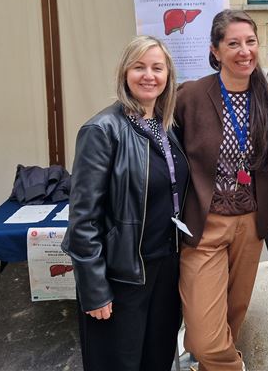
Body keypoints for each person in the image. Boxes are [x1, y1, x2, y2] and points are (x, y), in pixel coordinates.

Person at [62, 35, 190, 371]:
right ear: (124, 73)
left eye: (157, 68)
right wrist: (94, 288)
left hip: (164, 270)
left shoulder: (166, 126)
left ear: (168, 76)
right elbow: (83, 219)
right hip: (121, 277)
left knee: (156, 360)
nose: (149, 75)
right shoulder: (102, 130)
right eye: (139, 67)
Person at [176, 9, 268, 371]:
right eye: (233, 43)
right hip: (205, 224)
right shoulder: (191, 96)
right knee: (204, 336)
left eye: (250, 42)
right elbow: (161, 143)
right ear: (215, 50)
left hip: (251, 224)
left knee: (231, 321)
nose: (244, 51)